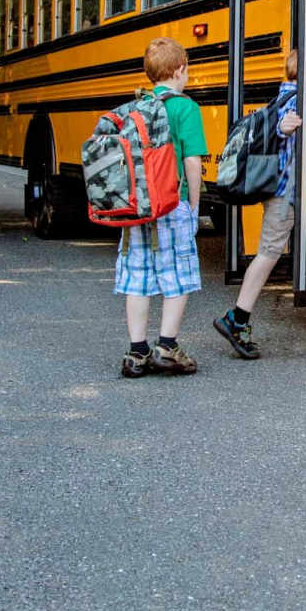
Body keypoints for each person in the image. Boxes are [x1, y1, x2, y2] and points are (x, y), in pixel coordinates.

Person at [213, 49, 306, 360]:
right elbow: (285, 125)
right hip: (283, 191)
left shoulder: (286, 96)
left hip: (297, 183)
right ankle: (237, 318)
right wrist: (286, 127)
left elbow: (304, 123)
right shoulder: (294, 102)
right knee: (268, 252)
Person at [118, 36, 208, 378]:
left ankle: (136, 352)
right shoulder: (185, 107)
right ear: (180, 70)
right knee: (178, 276)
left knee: (137, 276)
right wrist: (194, 207)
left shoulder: (135, 107)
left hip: (136, 206)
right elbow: (193, 162)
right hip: (172, 204)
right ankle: (167, 346)